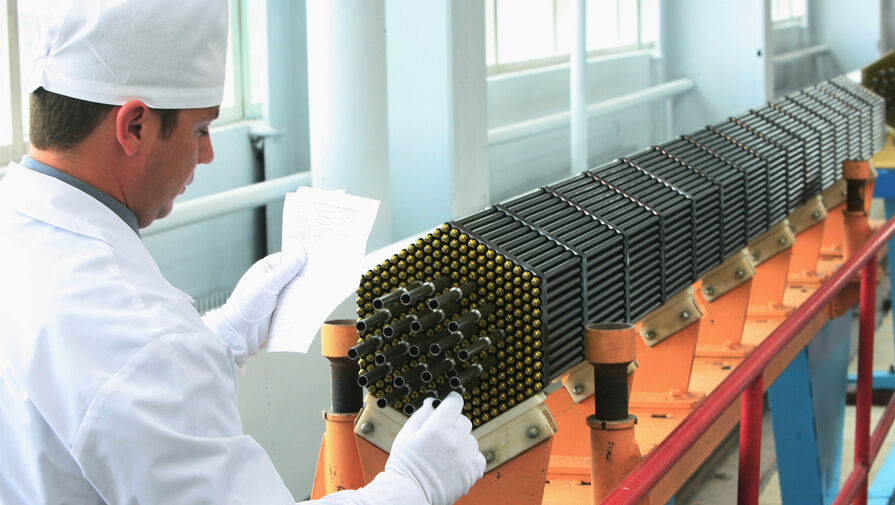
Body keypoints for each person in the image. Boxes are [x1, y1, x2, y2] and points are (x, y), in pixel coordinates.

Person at [0, 1, 485, 504]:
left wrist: (221, 337)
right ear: (134, 126)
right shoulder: (145, 343)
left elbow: (89, 399)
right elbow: (133, 367)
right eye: (200, 130)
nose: (207, 153)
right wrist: (413, 485)